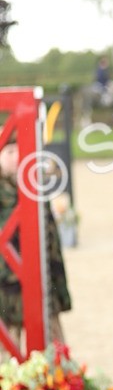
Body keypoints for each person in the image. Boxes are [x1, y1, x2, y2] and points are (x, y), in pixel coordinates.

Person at [0, 130, 72, 353]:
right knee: (6, 359)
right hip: (5, 293)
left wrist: (59, 292)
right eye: (9, 151)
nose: (15, 156)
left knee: (56, 357)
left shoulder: (35, 187)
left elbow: (52, 246)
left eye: (18, 150)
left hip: (41, 289)